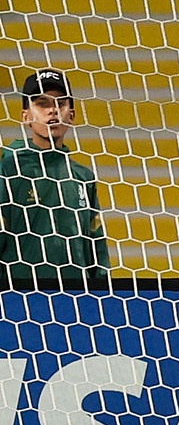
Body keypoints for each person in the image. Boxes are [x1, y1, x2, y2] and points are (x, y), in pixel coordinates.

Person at [0, 68, 109, 286]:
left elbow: (96, 244)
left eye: (60, 103)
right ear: (25, 116)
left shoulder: (83, 177)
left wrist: (103, 290)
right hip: (20, 294)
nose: (53, 111)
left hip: (77, 295)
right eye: (42, 104)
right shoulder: (7, 169)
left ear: (72, 115)